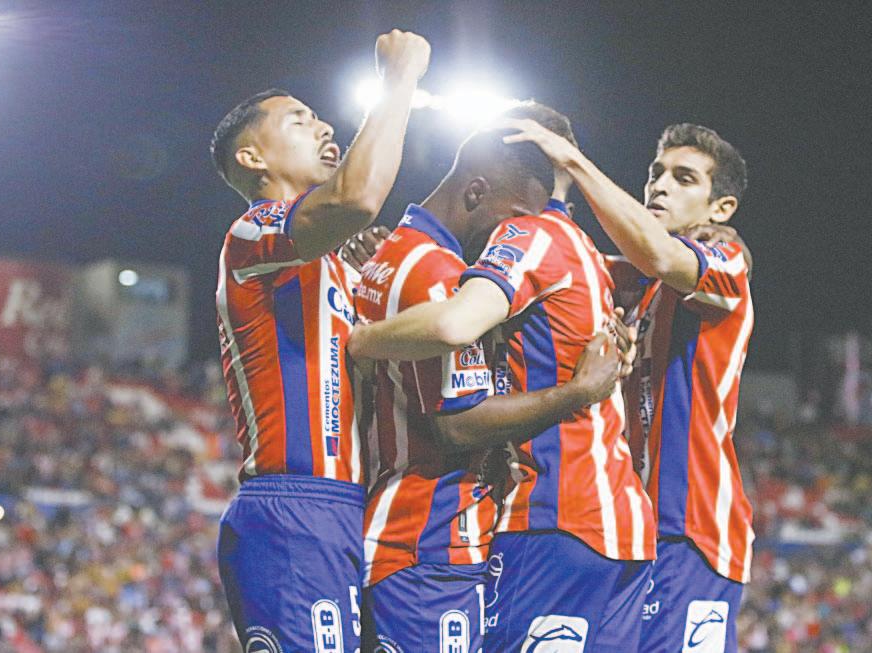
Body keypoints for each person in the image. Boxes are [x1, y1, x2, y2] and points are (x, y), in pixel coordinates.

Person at [348, 104, 656, 652]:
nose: (498, 235)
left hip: (551, 516)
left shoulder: (526, 233)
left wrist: (361, 339)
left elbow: (454, 325)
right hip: (622, 525)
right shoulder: (588, 252)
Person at [209, 30, 430, 652]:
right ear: (253, 158)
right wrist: (398, 81)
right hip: (295, 505)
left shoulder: (342, 266)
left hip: (358, 507)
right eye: (300, 120)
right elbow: (356, 198)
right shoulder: (250, 236)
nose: (325, 127)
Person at [502, 119, 753, 652]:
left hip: (692, 528)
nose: (660, 186)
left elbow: (658, 253)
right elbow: (556, 256)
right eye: (656, 173)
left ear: (722, 209)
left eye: (684, 178)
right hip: (624, 526)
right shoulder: (635, 281)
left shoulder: (727, 264)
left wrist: (573, 162)